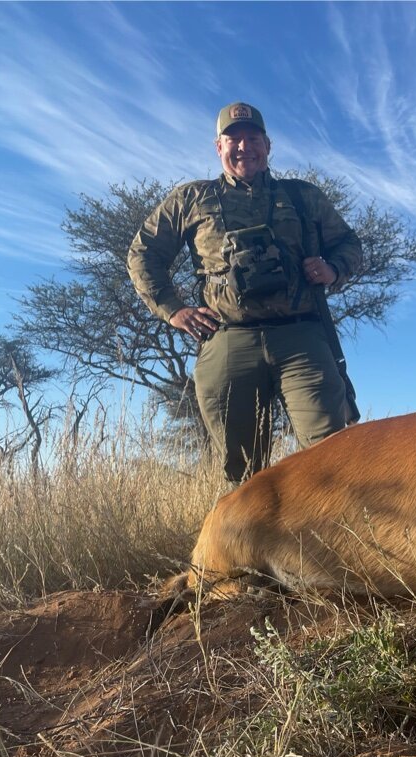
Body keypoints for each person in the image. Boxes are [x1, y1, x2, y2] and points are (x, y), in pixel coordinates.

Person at [127, 101, 362, 483]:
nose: (243, 148)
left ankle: (327, 540)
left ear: (268, 145)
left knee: (330, 458)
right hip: (226, 338)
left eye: (253, 138)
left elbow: (350, 244)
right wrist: (173, 310)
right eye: (232, 140)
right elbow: (143, 253)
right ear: (217, 147)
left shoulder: (303, 196)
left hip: (302, 337)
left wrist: (333, 269)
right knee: (242, 473)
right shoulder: (190, 198)